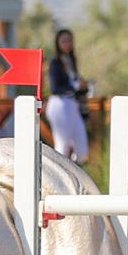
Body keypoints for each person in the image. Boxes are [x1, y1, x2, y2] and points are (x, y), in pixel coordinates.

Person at [46, 28, 90, 163]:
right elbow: (55, 88)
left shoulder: (70, 61)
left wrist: (84, 87)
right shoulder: (55, 62)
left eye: (69, 40)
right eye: (64, 41)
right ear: (58, 43)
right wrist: (76, 86)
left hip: (72, 104)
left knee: (81, 147)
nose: (67, 44)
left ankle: (75, 176)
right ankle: (58, 180)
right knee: (62, 145)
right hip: (60, 104)